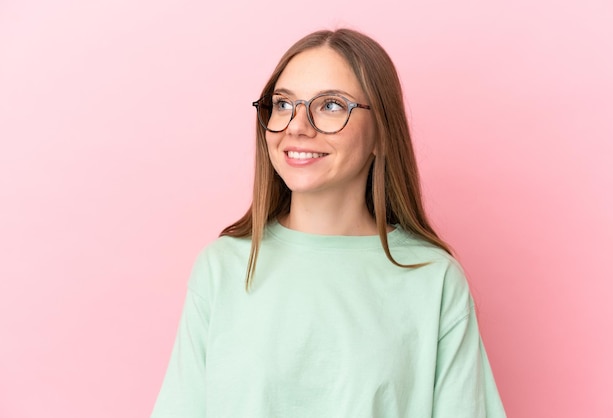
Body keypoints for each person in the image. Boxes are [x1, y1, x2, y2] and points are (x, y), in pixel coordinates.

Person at [151, 28, 506, 418]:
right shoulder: (222, 269)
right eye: (283, 105)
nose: (297, 126)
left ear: (381, 134)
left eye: (331, 105)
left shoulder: (433, 279)